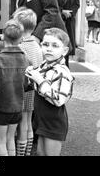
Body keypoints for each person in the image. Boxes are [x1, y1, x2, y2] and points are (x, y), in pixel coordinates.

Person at [25, 28, 74, 156]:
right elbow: (38, 88)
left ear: (64, 51)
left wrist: (40, 80)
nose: (49, 49)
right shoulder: (44, 65)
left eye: (55, 45)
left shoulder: (62, 71)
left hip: (54, 122)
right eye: (45, 44)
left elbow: (59, 99)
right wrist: (31, 76)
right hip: (42, 119)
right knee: (40, 153)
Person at [0, 20, 30, 156]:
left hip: (1, 107)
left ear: (3, 36)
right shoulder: (25, 60)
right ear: (21, 39)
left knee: (0, 141)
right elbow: (27, 85)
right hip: (18, 107)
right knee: (10, 139)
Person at [13, 7, 43, 156]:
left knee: (22, 125)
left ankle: (20, 153)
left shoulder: (20, 47)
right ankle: (28, 152)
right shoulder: (37, 46)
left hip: (22, 90)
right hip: (34, 90)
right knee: (29, 122)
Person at [59, 0, 80, 65]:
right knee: (58, 43)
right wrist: (62, 12)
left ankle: (66, 68)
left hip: (69, 21)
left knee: (68, 44)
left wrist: (71, 13)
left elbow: (77, 3)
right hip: (58, 20)